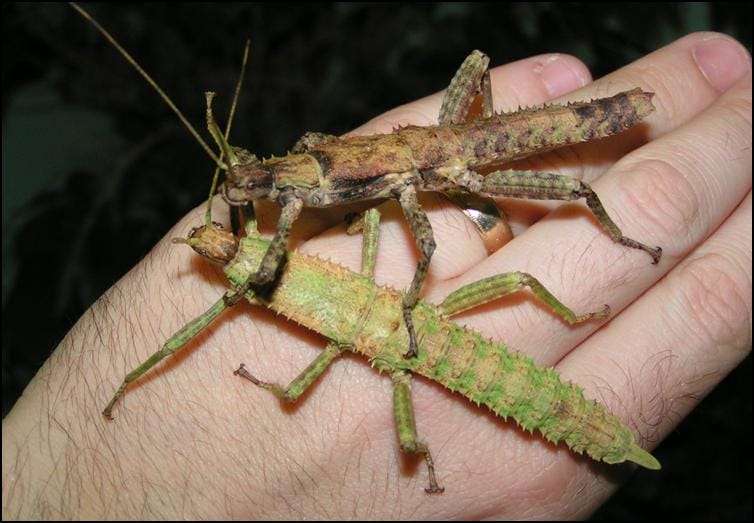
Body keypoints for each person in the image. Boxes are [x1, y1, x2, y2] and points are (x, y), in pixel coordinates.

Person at [3, 31, 751, 519]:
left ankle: (618, 230)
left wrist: (432, 257)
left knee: (571, 180)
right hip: (428, 161)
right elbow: (309, 176)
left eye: (272, 190)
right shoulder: (301, 180)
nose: (270, 197)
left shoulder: (361, 193)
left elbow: (418, 247)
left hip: (457, 153)